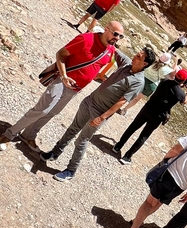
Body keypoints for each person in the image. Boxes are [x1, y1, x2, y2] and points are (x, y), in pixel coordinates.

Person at [0, 22, 123, 151]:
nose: (117, 38)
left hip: (75, 88)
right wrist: (64, 76)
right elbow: (61, 54)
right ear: (106, 29)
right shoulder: (86, 39)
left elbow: (97, 67)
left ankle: (28, 135)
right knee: (42, 110)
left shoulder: (110, 51)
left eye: (121, 36)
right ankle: (9, 134)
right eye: (115, 34)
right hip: (62, 80)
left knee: (52, 112)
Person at [40, 46, 155, 181]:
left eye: (139, 57)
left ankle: (71, 170)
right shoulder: (126, 64)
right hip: (89, 102)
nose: (135, 56)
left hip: (99, 113)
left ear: (145, 64)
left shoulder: (138, 82)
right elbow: (114, 50)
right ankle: (55, 152)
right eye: (137, 54)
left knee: (82, 140)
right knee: (73, 128)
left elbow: (121, 102)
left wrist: (102, 117)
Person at [113, 69, 187, 165]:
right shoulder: (181, 94)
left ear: (175, 75)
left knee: (133, 127)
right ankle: (127, 157)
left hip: (147, 108)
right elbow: (184, 101)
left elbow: (171, 85)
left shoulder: (164, 81)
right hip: (158, 116)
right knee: (143, 136)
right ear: (184, 81)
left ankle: (118, 146)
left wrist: (179, 84)